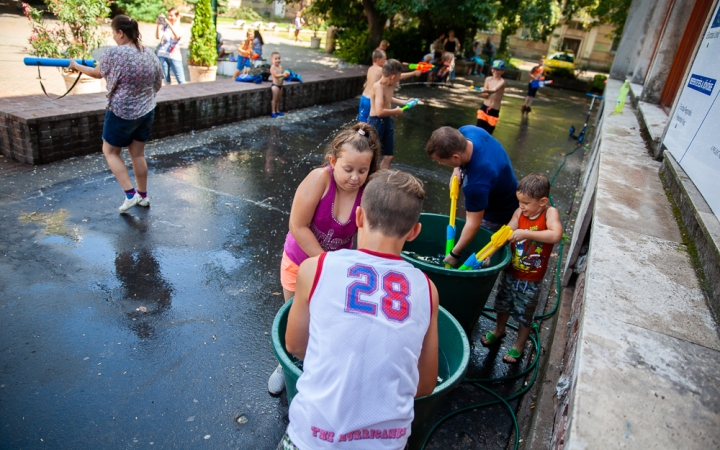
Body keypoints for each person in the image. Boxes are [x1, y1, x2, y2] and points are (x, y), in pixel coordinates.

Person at [280, 169, 439, 450]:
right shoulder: (427, 290)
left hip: (312, 437)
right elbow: (425, 384)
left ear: (359, 218)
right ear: (415, 232)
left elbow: (294, 345)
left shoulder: (315, 269)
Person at [268, 122, 382, 395]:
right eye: (348, 169)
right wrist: (325, 261)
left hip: (334, 266)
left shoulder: (367, 193)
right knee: (297, 315)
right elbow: (297, 225)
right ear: (333, 161)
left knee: (326, 317)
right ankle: (286, 362)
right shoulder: (320, 179)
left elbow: (366, 236)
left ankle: (318, 363)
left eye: (363, 171)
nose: (355, 177)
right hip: (300, 262)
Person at [69, 16, 163, 213]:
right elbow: (158, 85)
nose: (113, 38)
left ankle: (130, 195)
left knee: (110, 151)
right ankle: (143, 196)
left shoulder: (115, 53)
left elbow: (97, 73)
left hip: (121, 111)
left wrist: (75, 65)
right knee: (137, 154)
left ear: (121, 33)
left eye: (114, 33)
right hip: (146, 111)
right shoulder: (149, 54)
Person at [480, 173, 562, 363]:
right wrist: (489, 254)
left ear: (542, 201)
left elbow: (556, 235)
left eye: (526, 203)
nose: (521, 207)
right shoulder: (519, 214)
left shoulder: (549, 214)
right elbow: (505, 234)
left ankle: (519, 344)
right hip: (510, 271)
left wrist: (525, 233)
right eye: (520, 202)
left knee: (525, 313)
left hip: (531, 278)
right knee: (503, 303)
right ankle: (499, 330)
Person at [425, 126, 518, 266]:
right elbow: (458, 152)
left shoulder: (476, 183)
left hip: (499, 212)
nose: (440, 163)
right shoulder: (469, 131)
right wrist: (457, 169)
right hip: (504, 186)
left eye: (441, 161)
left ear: (456, 157)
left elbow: (473, 224)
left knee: (479, 253)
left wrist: (454, 253)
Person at [368, 59, 416, 170]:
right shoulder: (378, 87)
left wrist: (404, 102)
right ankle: (367, 179)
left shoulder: (391, 84)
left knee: (389, 156)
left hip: (387, 120)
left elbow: (388, 99)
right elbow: (380, 112)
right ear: (393, 77)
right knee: (372, 155)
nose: (400, 78)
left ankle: (382, 180)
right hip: (376, 122)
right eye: (399, 76)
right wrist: (396, 111)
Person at [359, 50, 420, 123]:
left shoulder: (370, 68)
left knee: (362, 123)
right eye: (384, 59)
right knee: (369, 126)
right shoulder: (380, 70)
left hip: (363, 98)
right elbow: (397, 76)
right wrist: (414, 73)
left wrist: (404, 102)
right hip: (371, 101)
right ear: (378, 59)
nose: (386, 61)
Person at [475, 60, 506, 135]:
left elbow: (494, 90)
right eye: (494, 69)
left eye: (498, 70)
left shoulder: (502, 82)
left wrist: (486, 90)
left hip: (494, 111)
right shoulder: (488, 79)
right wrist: (484, 93)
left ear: (502, 71)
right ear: (491, 69)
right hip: (484, 108)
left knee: (487, 134)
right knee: (478, 130)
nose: (496, 71)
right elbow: (485, 95)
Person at [155, 8, 185, 84]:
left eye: (171, 16)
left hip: (175, 56)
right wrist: (158, 25)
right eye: (168, 16)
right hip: (163, 54)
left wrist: (168, 23)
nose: (169, 18)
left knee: (181, 80)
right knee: (166, 80)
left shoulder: (180, 28)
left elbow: (177, 36)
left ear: (177, 17)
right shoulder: (165, 28)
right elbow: (158, 37)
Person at [269, 52, 285, 118]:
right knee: (274, 99)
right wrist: (282, 75)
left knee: (278, 99)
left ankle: (277, 110)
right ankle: (273, 111)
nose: (278, 60)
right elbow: (275, 75)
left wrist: (285, 75)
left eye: (279, 58)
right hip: (275, 86)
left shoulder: (280, 67)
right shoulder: (273, 67)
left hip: (280, 85)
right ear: (272, 60)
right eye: (276, 59)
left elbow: (282, 75)